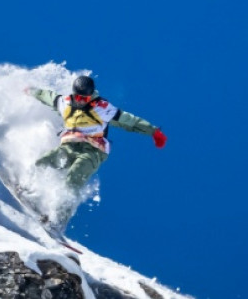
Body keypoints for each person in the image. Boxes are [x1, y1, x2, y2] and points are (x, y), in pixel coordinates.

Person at [24, 75, 166, 226]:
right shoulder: (64, 102)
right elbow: (46, 96)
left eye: (84, 98)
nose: (80, 100)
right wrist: (30, 90)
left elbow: (128, 121)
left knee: (75, 175)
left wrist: (153, 132)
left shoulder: (102, 107)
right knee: (44, 161)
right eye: (77, 96)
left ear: (91, 95)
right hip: (69, 146)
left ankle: (58, 219)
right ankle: (28, 189)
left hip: (93, 151)